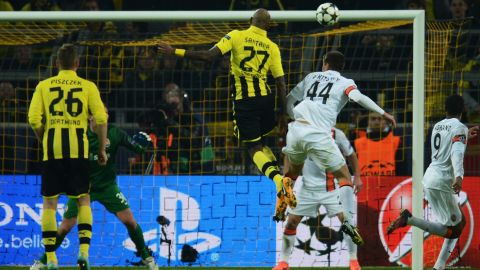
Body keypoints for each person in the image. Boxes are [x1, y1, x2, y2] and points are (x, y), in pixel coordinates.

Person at [158, 9, 294, 207]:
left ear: (250, 21)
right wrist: (283, 113)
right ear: (268, 26)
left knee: (252, 148)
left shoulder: (237, 35)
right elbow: (281, 83)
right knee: (262, 143)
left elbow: (207, 56)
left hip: (245, 101)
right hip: (267, 100)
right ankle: (281, 181)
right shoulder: (272, 46)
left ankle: (280, 181)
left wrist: (175, 51)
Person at [30, 109, 159, 270]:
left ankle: (146, 257)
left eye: (105, 113)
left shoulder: (114, 133)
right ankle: (43, 260)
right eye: (99, 112)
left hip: (107, 187)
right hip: (82, 187)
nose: (104, 115)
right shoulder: (79, 134)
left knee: (130, 221)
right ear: (90, 116)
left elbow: (137, 147)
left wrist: (144, 144)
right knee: (65, 227)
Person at [281, 50, 396, 220]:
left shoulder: (311, 77)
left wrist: (294, 118)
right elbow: (357, 97)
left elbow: (289, 99)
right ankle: (349, 219)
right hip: (319, 134)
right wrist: (383, 112)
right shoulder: (345, 82)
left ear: (324, 63)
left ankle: (282, 203)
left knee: (292, 172)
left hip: (297, 129)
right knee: (344, 176)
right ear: (342, 67)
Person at [28, 43, 108, 270]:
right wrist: (101, 149)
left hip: (52, 152)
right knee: (83, 199)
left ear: (56, 64)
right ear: (77, 64)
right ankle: (83, 253)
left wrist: (45, 139)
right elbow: (101, 119)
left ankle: (51, 258)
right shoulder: (88, 86)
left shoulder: (44, 85)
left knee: (50, 204)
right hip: (78, 153)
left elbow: (34, 119)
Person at [387, 94, 477, 270]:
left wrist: (466, 134)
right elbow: (456, 153)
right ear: (463, 110)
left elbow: (448, 145)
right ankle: (410, 220)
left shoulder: (438, 125)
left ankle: (439, 266)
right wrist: (459, 176)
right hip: (444, 181)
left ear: (445, 109)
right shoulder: (459, 128)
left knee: (459, 223)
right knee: (455, 230)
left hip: (430, 177)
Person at [273, 127, 364, 270]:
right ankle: (283, 263)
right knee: (291, 223)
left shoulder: (336, 133)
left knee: (347, 221)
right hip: (308, 189)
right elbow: (288, 156)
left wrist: (357, 176)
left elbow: (351, 154)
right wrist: (287, 182)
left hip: (332, 188)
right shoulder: (299, 132)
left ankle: (354, 262)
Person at [354, 111, 402, 176]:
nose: (377, 122)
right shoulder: (357, 143)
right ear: (368, 121)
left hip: (391, 183)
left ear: (385, 121)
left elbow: (402, 166)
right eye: (373, 119)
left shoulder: (396, 141)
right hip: (364, 183)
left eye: (380, 119)